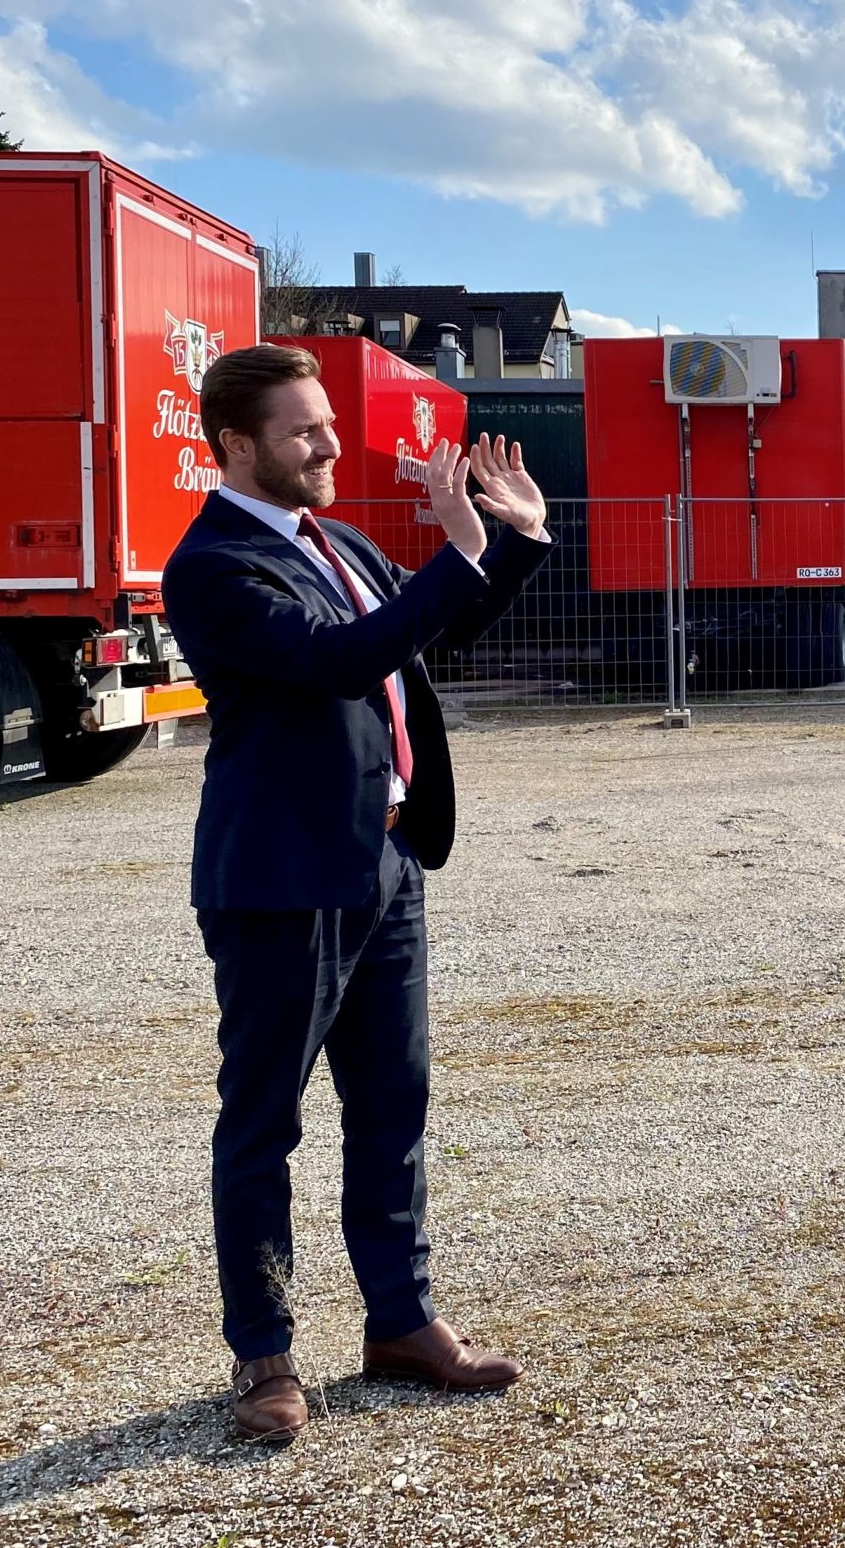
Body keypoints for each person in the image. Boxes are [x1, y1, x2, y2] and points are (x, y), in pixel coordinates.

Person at [163, 342, 554, 1442]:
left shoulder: (340, 542)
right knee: (262, 1126)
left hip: (384, 862)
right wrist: (458, 553)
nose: (329, 443)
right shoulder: (212, 566)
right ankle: (265, 1358)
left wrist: (512, 540)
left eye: (327, 422)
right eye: (302, 430)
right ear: (237, 446)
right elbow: (341, 659)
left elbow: (431, 637)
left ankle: (401, 1322)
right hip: (281, 882)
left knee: (394, 1106)